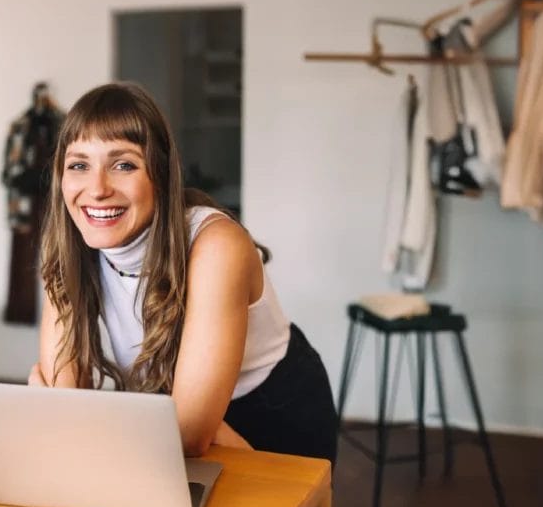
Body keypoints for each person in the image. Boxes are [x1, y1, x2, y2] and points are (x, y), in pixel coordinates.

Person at [28, 82, 338, 465]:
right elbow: (64, 401)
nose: (97, 189)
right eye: (79, 165)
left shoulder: (216, 245)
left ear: (160, 175)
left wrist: (92, 413)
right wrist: (77, 409)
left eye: (123, 164)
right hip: (164, 418)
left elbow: (189, 433)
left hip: (269, 414)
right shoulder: (68, 244)